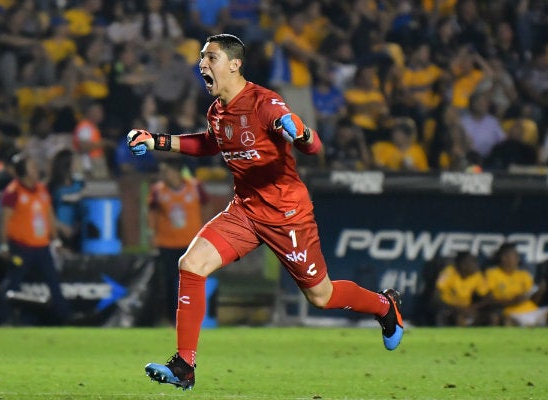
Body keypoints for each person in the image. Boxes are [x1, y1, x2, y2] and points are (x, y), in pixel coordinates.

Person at [127, 34, 403, 390]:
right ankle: (185, 365)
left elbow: (313, 145)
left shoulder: (264, 103)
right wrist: (157, 140)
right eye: (201, 58)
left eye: (210, 57)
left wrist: (300, 133)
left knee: (322, 296)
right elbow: (211, 142)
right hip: (244, 211)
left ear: (234, 64)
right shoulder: (217, 111)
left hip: (286, 215)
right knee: (191, 265)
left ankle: (384, 307)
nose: (202, 64)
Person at [0, 153, 70, 325]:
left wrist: (55, 239)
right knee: (13, 283)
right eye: (32, 166)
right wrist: (4, 245)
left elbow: (49, 216)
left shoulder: (41, 189)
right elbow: (3, 221)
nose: (36, 169)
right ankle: (2, 318)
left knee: (53, 282)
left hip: (42, 246)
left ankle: (65, 317)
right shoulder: (13, 192)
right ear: (24, 171)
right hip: (21, 246)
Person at [147, 157, 209, 326]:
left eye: (166, 170)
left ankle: (193, 317)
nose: (163, 174)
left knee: (192, 281)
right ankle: (171, 318)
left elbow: (205, 208)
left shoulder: (195, 187)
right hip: (167, 244)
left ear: (176, 171)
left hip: (191, 243)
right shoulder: (158, 191)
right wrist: (152, 234)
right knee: (168, 282)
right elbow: (152, 213)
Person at [434, 251, 489, 326]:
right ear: (463, 264)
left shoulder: (477, 275)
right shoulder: (449, 271)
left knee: (481, 316)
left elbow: (486, 296)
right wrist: (457, 308)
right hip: (448, 307)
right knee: (459, 317)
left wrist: (473, 307)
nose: (476, 266)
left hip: (466, 307)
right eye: (473, 262)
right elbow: (436, 295)